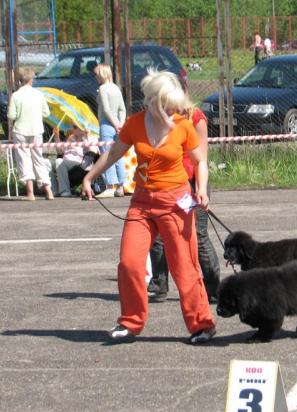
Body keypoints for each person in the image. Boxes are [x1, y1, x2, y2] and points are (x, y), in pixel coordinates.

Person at [81, 69, 216, 344]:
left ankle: (202, 324)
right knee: (130, 263)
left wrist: (201, 190)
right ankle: (130, 322)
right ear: (154, 100)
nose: (174, 108)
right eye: (168, 102)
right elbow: (114, 152)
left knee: (184, 267)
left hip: (175, 202)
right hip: (141, 204)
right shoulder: (136, 123)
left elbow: (200, 160)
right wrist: (89, 176)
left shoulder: (183, 125)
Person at [147, 98, 220, 304]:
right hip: (167, 184)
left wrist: (201, 190)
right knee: (158, 236)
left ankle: (213, 288)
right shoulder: (162, 117)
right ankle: (158, 285)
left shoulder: (196, 118)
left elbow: (201, 159)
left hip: (191, 182)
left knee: (198, 235)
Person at [7, 67, 54, 200]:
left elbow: (11, 115)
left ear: (20, 81)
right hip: (37, 130)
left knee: (24, 160)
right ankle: (48, 191)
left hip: (20, 130)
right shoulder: (39, 94)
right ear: (31, 80)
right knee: (38, 159)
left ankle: (30, 193)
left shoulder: (16, 95)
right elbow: (46, 113)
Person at [94, 63, 128, 198]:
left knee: (107, 155)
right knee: (118, 155)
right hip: (118, 125)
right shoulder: (116, 88)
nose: (96, 77)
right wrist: (121, 124)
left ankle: (110, 186)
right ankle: (121, 185)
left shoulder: (102, 89)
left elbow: (106, 110)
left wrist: (114, 124)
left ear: (102, 74)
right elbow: (122, 109)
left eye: (96, 74)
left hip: (107, 125)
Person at [52, 125, 98, 197]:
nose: (72, 129)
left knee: (59, 161)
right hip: (65, 162)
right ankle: (54, 191)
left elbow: (93, 151)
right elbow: (60, 152)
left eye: (75, 127)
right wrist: (56, 136)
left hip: (80, 164)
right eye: (73, 126)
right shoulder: (71, 138)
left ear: (82, 128)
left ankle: (65, 191)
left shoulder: (92, 138)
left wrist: (86, 137)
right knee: (46, 163)